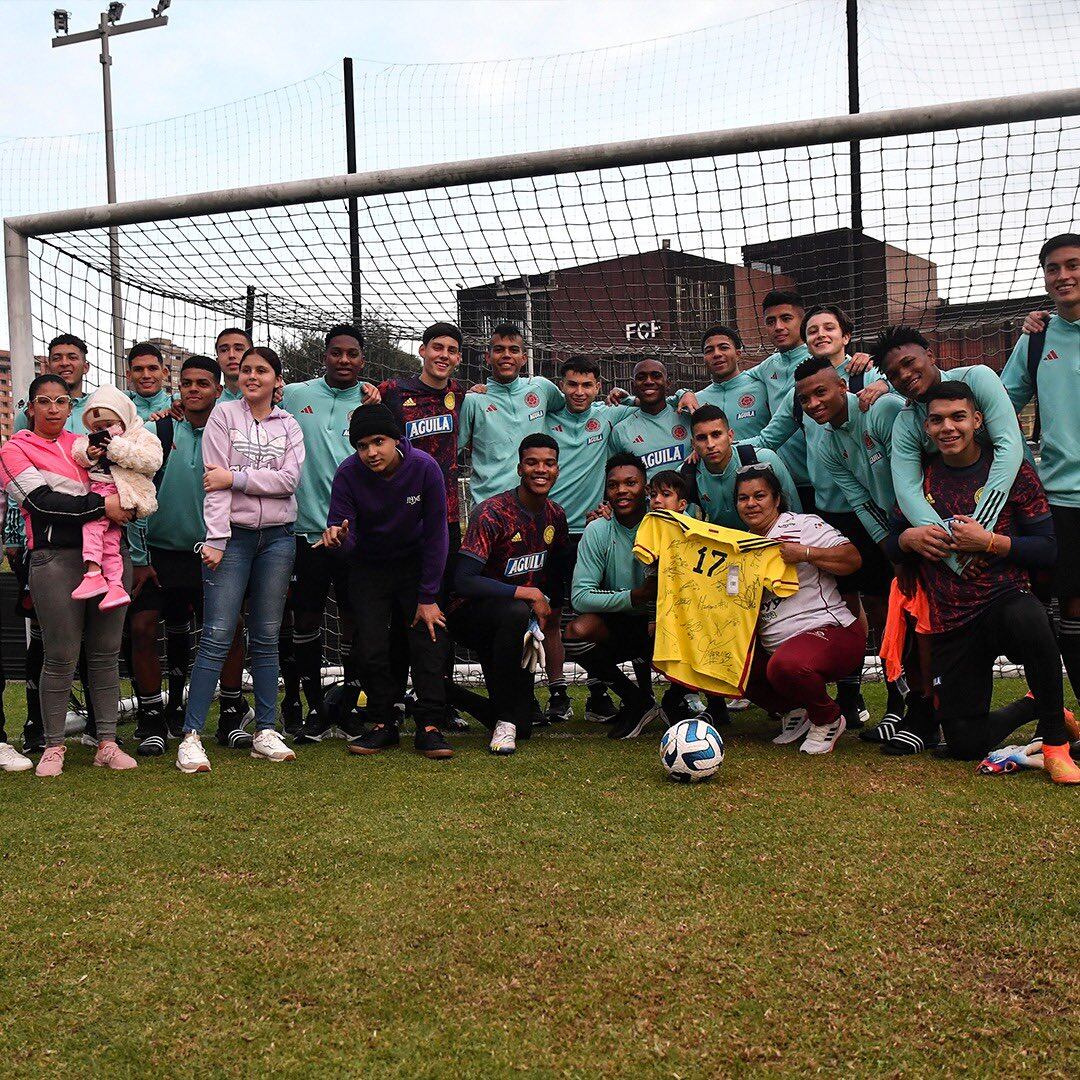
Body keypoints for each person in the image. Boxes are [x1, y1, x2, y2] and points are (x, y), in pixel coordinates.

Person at [884, 382, 1079, 783]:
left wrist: (989, 541)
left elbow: (1047, 549)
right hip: (950, 620)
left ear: (977, 421)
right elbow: (892, 542)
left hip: (1001, 602)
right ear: (926, 428)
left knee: (1031, 618)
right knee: (964, 743)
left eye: (958, 417)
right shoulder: (917, 481)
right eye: (937, 420)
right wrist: (906, 539)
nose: (947, 428)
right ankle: (1036, 706)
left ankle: (1057, 746)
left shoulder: (1011, 472)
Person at [0, 374, 139, 776]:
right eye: (44, 401)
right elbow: (40, 502)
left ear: (69, 406)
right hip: (54, 560)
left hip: (111, 556)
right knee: (60, 656)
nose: (54, 408)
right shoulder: (14, 449)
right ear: (30, 407)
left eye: (61, 400)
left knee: (105, 654)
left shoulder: (83, 445)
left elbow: (129, 476)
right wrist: (103, 509)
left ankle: (107, 742)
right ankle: (53, 745)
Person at [176, 347, 304, 775]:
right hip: (230, 540)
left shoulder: (289, 425)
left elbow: (288, 482)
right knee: (216, 635)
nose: (252, 376)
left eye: (262, 370)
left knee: (266, 637)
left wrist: (238, 477)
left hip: (279, 540)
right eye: (246, 370)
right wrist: (216, 536)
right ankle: (191, 737)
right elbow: (213, 483)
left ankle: (266, 730)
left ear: (276, 379)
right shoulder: (223, 416)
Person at [126, 356, 256, 756]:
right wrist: (139, 556)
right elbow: (133, 494)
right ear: (178, 388)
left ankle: (232, 713)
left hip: (215, 552)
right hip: (161, 555)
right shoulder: (159, 432)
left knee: (228, 630)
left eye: (203, 382)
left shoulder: (235, 431)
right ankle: (152, 717)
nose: (195, 389)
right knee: (143, 628)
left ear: (219, 389)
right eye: (188, 383)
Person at [321, 404, 453, 760]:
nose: (371, 453)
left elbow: (438, 535)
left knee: (428, 636)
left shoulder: (425, 467)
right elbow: (345, 537)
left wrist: (428, 595)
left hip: (415, 565)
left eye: (378, 441)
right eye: (362, 445)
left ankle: (430, 725)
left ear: (397, 438)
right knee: (371, 644)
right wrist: (339, 538)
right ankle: (382, 723)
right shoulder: (348, 473)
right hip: (370, 567)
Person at [793, 355, 910, 736]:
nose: (813, 405)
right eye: (805, 399)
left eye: (820, 393)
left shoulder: (881, 409)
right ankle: (899, 697)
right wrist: (891, 547)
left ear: (843, 386)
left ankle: (933, 700)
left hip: (927, 521)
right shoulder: (827, 445)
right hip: (889, 529)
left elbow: (916, 472)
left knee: (927, 610)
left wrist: (913, 532)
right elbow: (860, 501)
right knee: (880, 605)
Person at [280, 324, 376, 740]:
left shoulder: (373, 402)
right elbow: (246, 398)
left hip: (356, 536)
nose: (344, 360)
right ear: (325, 357)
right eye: (336, 353)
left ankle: (352, 701)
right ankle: (313, 705)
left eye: (352, 354)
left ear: (362, 359)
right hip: (306, 533)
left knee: (357, 619)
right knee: (305, 619)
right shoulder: (297, 394)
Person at [448, 434, 570, 756]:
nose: (540, 470)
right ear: (519, 468)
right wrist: (527, 593)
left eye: (548, 463)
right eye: (532, 463)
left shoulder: (556, 516)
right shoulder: (492, 513)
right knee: (516, 610)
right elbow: (463, 580)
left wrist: (550, 613)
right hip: (470, 615)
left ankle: (448, 693)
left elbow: (556, 572)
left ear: (557, 469)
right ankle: (503, 720)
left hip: (515, 627)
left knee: (526, 727)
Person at [873, 325, 1026, 579]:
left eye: (909, 363)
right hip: (959, 522)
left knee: (1038, 581)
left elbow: (1009, 447)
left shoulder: (978, 378)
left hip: (1014, 493)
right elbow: (908, 491)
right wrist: (952, 551)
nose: (905, 375)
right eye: (894, 374)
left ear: (930, 356)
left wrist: (978, 530)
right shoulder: (906, 422)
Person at [734, 466, 867, 754]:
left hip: (830, 631)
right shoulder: (739, 546)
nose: (751, 504)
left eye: (760, 496)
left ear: (776, 499)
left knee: (786, 665)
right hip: (778, 647)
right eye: (743, 498)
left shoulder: (803, 525)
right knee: (725, 662)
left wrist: (805, 553)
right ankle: (794, 711)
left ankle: (828, 717)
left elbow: (852, 559)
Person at [1001, 234, 1080, 708]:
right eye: (1053, 269)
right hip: (1063, 498)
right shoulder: (1037, 338)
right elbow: (1002, 404)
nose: (1064, 276)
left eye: (1073, 265)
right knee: (1070, 608)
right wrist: (1028, 461)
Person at [379, 321, 469, 732]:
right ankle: (392, 701)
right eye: (437, 347)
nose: (444, 355)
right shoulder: (392, 391)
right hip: (400, 520)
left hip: (445, 520)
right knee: (399, 613)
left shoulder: (463, 395)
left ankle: (440, 699)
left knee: (439, 610)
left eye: (451, 349)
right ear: (422, 350)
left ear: (458, 358)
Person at [567, 453, 659, 739]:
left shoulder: (668, 525)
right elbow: (580, 597)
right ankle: (636, 700)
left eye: (631, 483)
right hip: (621, 621)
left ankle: (685, 701)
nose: (621, 491)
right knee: (574, 632)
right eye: (614, 485)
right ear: (605, 491)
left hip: (665, 626)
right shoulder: (597, 530)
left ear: (645, 489)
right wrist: (633, 596)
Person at [70, 385, 162, 610]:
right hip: (101, 490)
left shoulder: (141, 436)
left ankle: (93, 572)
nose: (105, 430)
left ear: (124, 418)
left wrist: (116, 447)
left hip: (123, 493)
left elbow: (152, 461)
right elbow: (78, 450)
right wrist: (88, 453)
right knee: (110, 542)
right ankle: (115, 587)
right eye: (98, 427)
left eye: (110, 425)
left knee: (91, 525)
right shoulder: (90, 438)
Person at [458, 322, 565, 508]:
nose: (506, 355)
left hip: (534, 506)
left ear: (523, 358)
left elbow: (574, 406)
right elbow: (452, 451)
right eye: (499, 349)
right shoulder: (474, 400)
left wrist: (626, 401)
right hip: (488, 509)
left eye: (513, 350)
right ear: (488, 357)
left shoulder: (541, 388)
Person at [681, 405, 800, 529]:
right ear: (693, 444)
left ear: (730, 436)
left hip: (769, 541)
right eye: (702, 438)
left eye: (716, 435)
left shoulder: (764, 460)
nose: (710, 444)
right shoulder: (687, 474)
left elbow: (795, 511)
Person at [678, 324, 773, 439]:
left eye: (724, 347)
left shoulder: (764, 388)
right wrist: (682, 393)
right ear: (704, 358)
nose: (716, 354)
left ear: (738, 354)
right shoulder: (695, 401)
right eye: (709, 350)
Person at [607, 358, 692, 479]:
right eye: (641, 377)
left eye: (656, 376)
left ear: (668, 383)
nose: (649, 381)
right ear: (633, 386)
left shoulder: (688, 418)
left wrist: (685, 392)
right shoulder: (621, 431)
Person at [125, 342, 175, 419]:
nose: (146, 375)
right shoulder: (121, 408)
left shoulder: (178, 406)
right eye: (138, 369)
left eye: (152, 368)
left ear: (164, 373)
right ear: (129, 375)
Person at [214, 327, 253, 402]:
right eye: (224, 350)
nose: (231, 355)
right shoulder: (211, 401)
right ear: (217, 361)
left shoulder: (276, 394)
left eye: (238, 349)